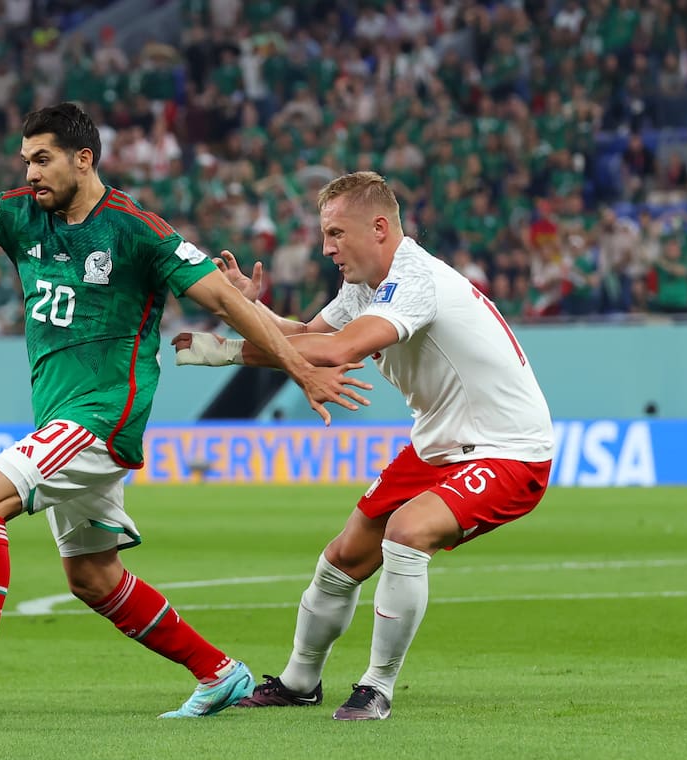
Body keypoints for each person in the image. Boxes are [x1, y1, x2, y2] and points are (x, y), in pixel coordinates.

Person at [0, 102, 370, 720]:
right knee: (93, 577)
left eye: (43, 159)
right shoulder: (20, 214)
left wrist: (298, 365)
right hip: (59, 418)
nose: (30, 172)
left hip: (101, 416)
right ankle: (219, 672)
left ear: (83, 159)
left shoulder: (136, 230)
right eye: (26, 160)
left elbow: (225, 302)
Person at [174, 171, 554, 720]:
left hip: (508, 449)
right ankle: (300, 682)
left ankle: (377, 687)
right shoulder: (364, 287)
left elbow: (339, 350)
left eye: (335, 233)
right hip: (437, 444)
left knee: (407, 532)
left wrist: (226, 350)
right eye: (324, 235)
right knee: (343, 557)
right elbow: (304, 337)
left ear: (379, 228)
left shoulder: (415, 278)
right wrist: (242, 310)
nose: (326, 248)